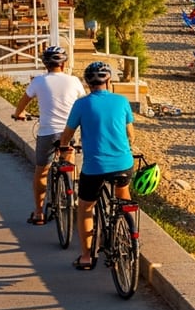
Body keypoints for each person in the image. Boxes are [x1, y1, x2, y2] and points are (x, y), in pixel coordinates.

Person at [58, 61, 135, 270]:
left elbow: (67, 134)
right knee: (122, 193)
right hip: (123, 163)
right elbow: (131, 134)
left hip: (95, 167)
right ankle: (128, 229)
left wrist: (63, 147)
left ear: (87, 83)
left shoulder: (82, 104)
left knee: (85, 207)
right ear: (108, 80)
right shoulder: (121, 101)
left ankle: (86, 256)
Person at [12, 46, 86, 225]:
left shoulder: (38, 81)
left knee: (41, 170)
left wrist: (18, 114)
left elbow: (23, 102)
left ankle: (39, 213)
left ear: (45, 64)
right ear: (64, 63)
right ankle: (72, 196)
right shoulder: (74, 81)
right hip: (68, 131)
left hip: (47, 132)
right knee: (69, 162)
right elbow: (83, 102)